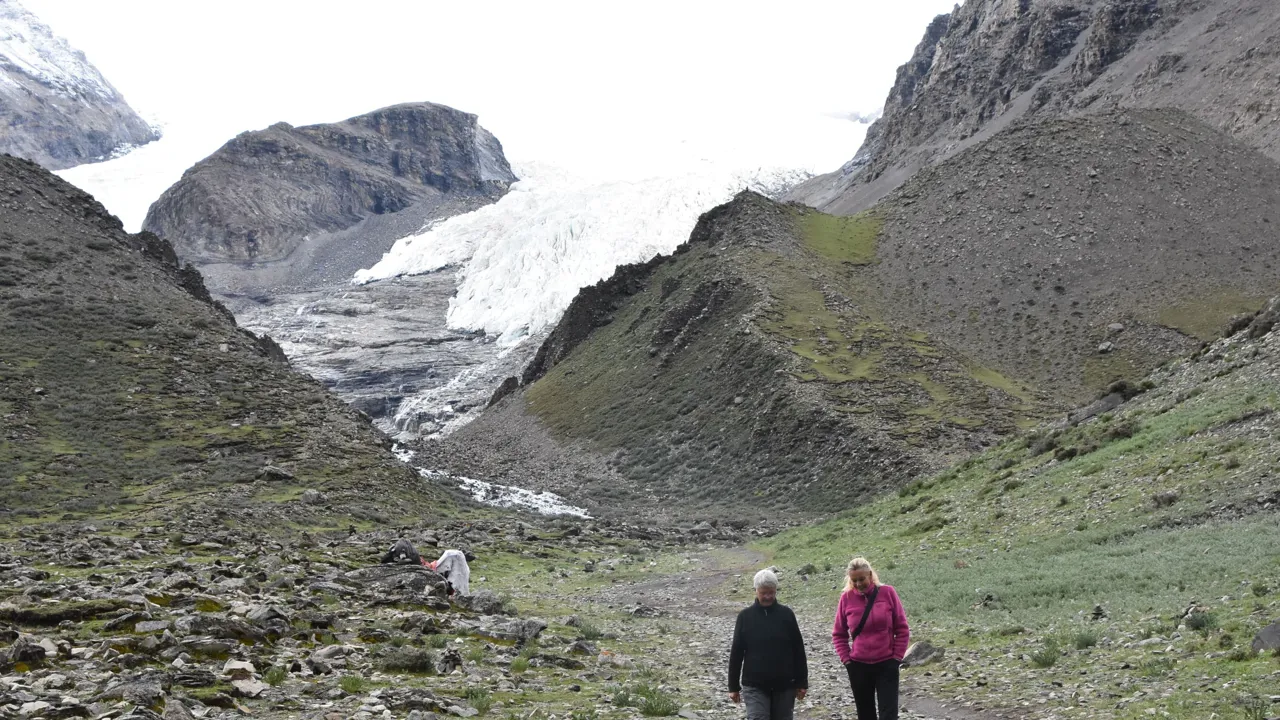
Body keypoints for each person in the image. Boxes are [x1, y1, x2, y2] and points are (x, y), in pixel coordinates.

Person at [832, 557, 910, 720]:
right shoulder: (846, 598)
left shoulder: (888, 592)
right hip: (858, 666)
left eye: (862, 579)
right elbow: (839, 634)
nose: (858, 584)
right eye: (854, 580)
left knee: (889, 714)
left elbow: (902, 629)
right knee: (865, 714)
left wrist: (896, 658)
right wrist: (847, 661)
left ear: (870, 575)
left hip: (887, 663)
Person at [728, 569, 808, 720]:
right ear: (756, 590)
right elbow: (737, 652)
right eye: (763, 593)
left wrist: (802, 682)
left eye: (771, 592)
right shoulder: (745, 617)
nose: (768, 597)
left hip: (784, 684)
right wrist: (733, 686)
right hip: (754, 685)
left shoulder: (786, 615)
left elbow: (798, 650)